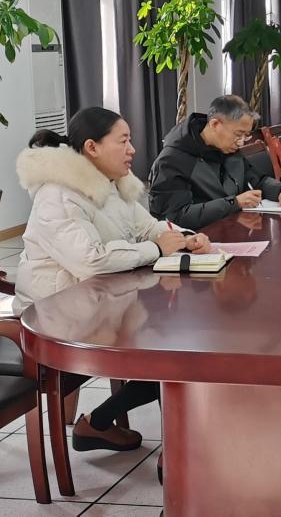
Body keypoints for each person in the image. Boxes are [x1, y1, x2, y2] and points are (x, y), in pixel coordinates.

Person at [15, 107, 211, 452]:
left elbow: (149, 227)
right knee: (169, 347)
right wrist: (156, 248)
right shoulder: (57, 195)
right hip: (57, 317)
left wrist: (184, 237)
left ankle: (102, 425)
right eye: (123, 141)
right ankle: (175, 454)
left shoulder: (112, 185)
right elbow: (91, 261)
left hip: (100, 303)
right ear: (92, 147)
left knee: (178, 342)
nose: (132, 149)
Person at [148, 95, 281, 229]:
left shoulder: (228, 149)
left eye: (246, 135)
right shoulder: (171, 161)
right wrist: (234, 203)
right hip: (197, 242)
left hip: (232, 230)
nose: (241, 142)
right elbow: (175, 218)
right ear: (215, 124)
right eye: (238, 134)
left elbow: (257, 180)